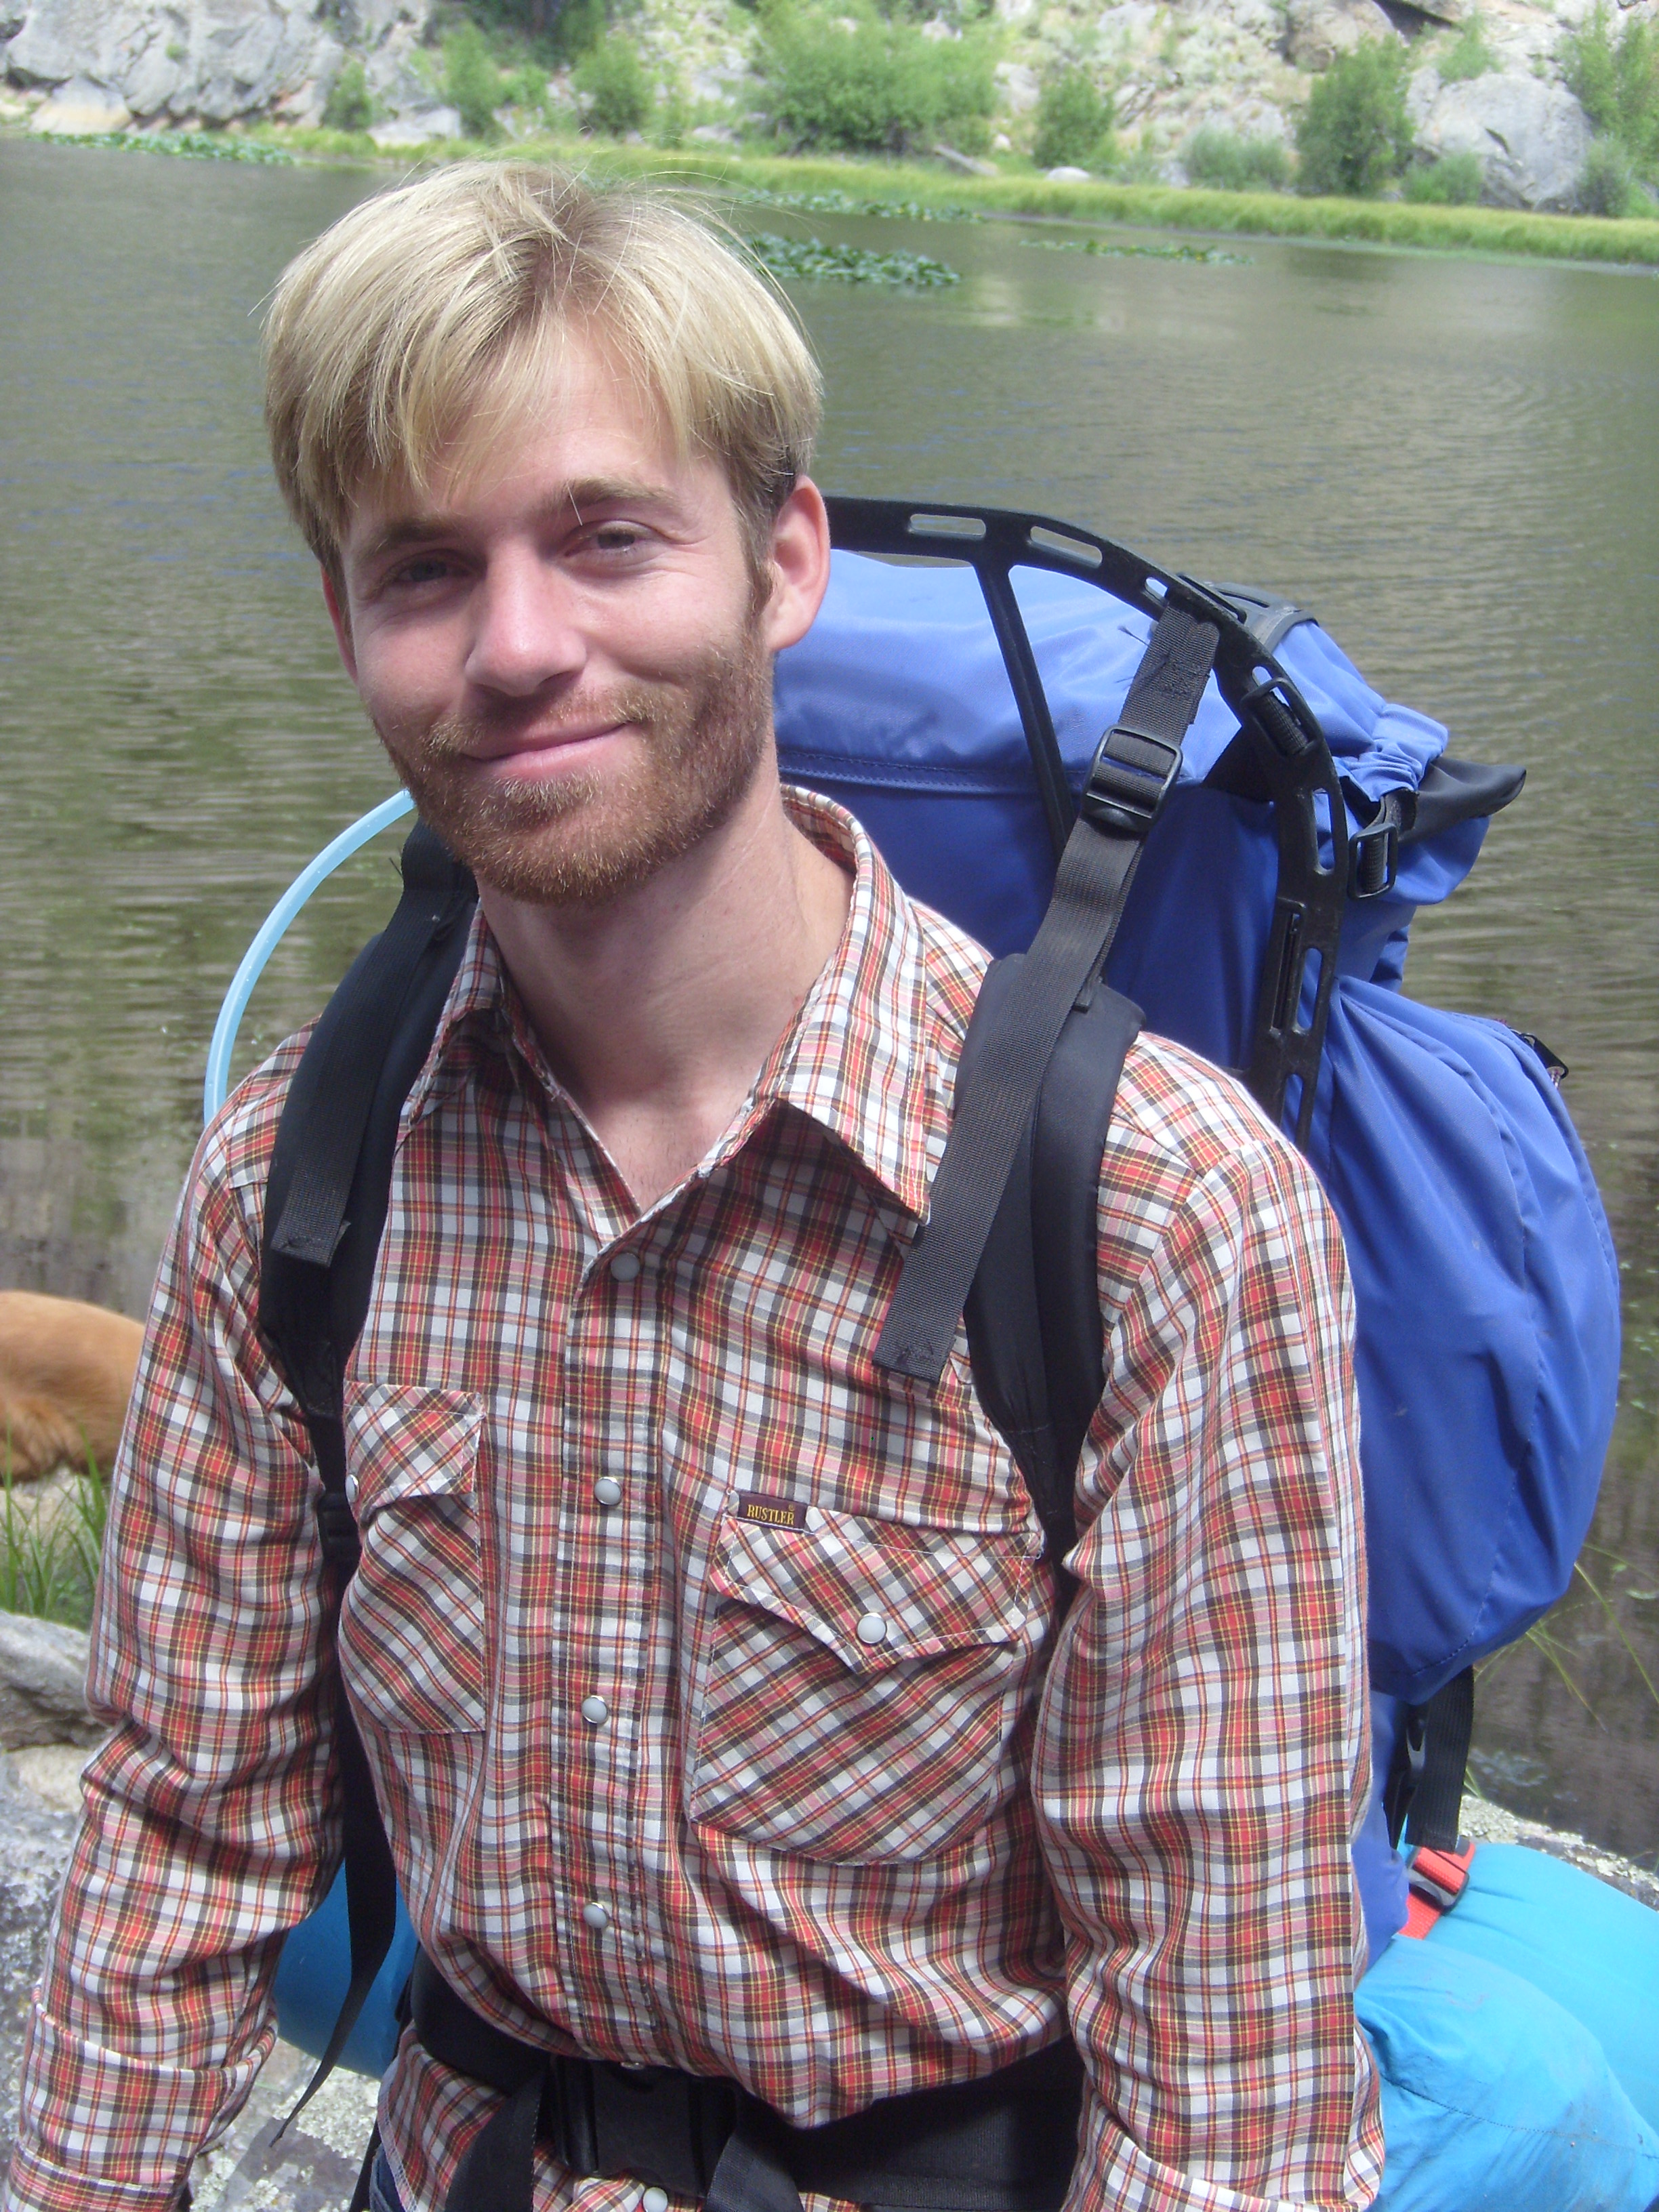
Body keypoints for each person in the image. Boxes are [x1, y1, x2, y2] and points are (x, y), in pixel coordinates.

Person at [5, 165, 1382, 2212]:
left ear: (784, 558)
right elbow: (186, 1830)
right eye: (423, 572)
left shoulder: (1162, 1221)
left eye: (607, 539)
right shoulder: (297, 1185)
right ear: (345, 625)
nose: (519, 648)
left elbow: (1235, 2079)